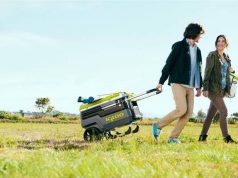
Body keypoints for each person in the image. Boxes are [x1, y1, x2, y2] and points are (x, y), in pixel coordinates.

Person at [152, 23, 204, 144]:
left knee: (188, 113)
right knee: (181, 109)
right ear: (194, 33)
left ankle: (173, 138)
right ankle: (158, 125)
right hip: (178, 83)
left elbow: (198, 69)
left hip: (190, 86)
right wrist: (161, 82)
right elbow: (168, 64)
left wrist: (199, 87)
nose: (200, 37)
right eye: (200, 34)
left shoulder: (198, 50)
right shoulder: (179, 46)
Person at [199, 34, 237, 143]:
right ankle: (226, 138)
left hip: (222, 90)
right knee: (224, 111)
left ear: (226, 44)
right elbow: (207, 73)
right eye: (218, 41)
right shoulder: (212, 55)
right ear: (216, 44)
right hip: (212, 89)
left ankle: (202, 137)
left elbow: (227, 73)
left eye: (223, 41)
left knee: (210, 114)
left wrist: (231, 71)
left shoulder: (227, 58)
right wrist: (205, 88)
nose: (220, 43)